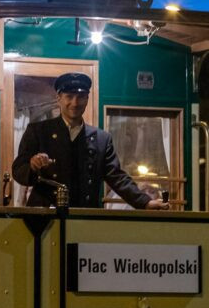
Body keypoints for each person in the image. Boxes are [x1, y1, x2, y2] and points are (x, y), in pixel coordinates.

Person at [13, 72, 170, 210]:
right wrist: (32, 166)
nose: (75, 103)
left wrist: (145, 202)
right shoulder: (38, 131)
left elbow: (117, 177)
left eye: (81, 97)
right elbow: (18, 171)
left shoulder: (102, 139)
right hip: (44, 217)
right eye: (69, 96)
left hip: (84, 216)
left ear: (87, 99)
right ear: (58, 98)